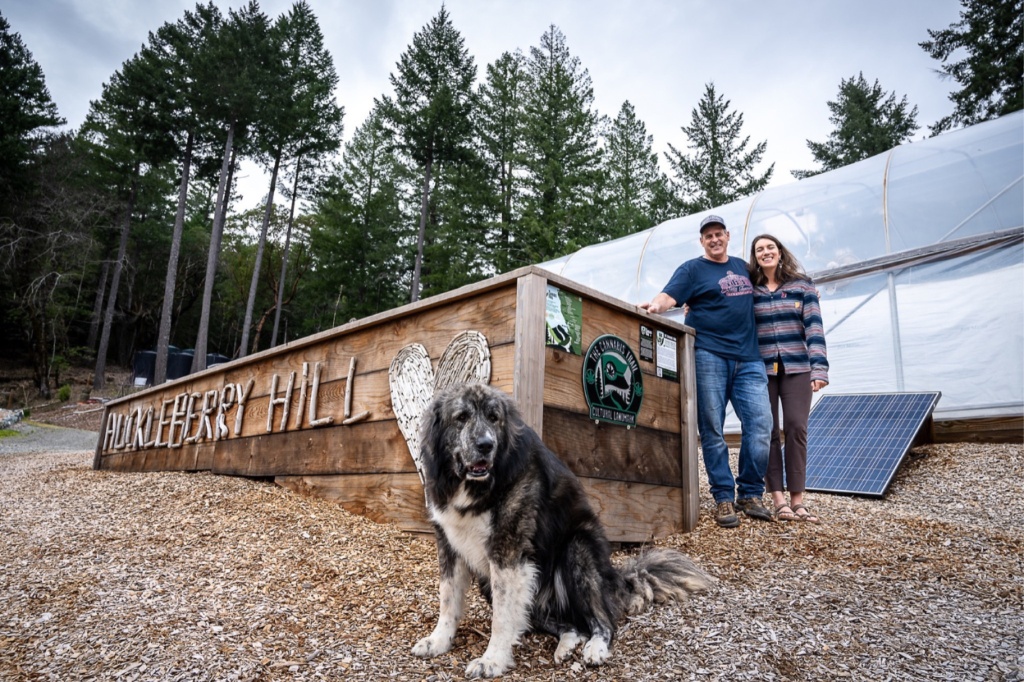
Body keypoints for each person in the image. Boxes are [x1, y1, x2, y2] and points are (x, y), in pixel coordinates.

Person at [639, 215, 773, 528]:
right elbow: (669, 295)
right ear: (702, 241)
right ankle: (723, 497)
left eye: (718, 234)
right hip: (709, 354)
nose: (714, 239)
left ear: (728, 235)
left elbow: (772, 284)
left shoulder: (743, 267)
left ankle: (750, 493)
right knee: (712, 427)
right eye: (708, 236)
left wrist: (806, 290)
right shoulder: (692, 269)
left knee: (761, 425)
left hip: (750, 359)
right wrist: (655, 307)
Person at [748, 234, 829, 524]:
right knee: (768, 430)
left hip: (798, 367)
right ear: (754, 257)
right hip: (762, 370)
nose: (766, 252)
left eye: (770, 247)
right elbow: (725, 310)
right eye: (760, 249)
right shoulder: (750, 289)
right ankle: (778, 499)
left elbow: (814, 329)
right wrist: (695, 307)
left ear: (780, 252)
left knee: (796, 427)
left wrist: (819, 369)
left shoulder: (802, 285)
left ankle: (798, 500)